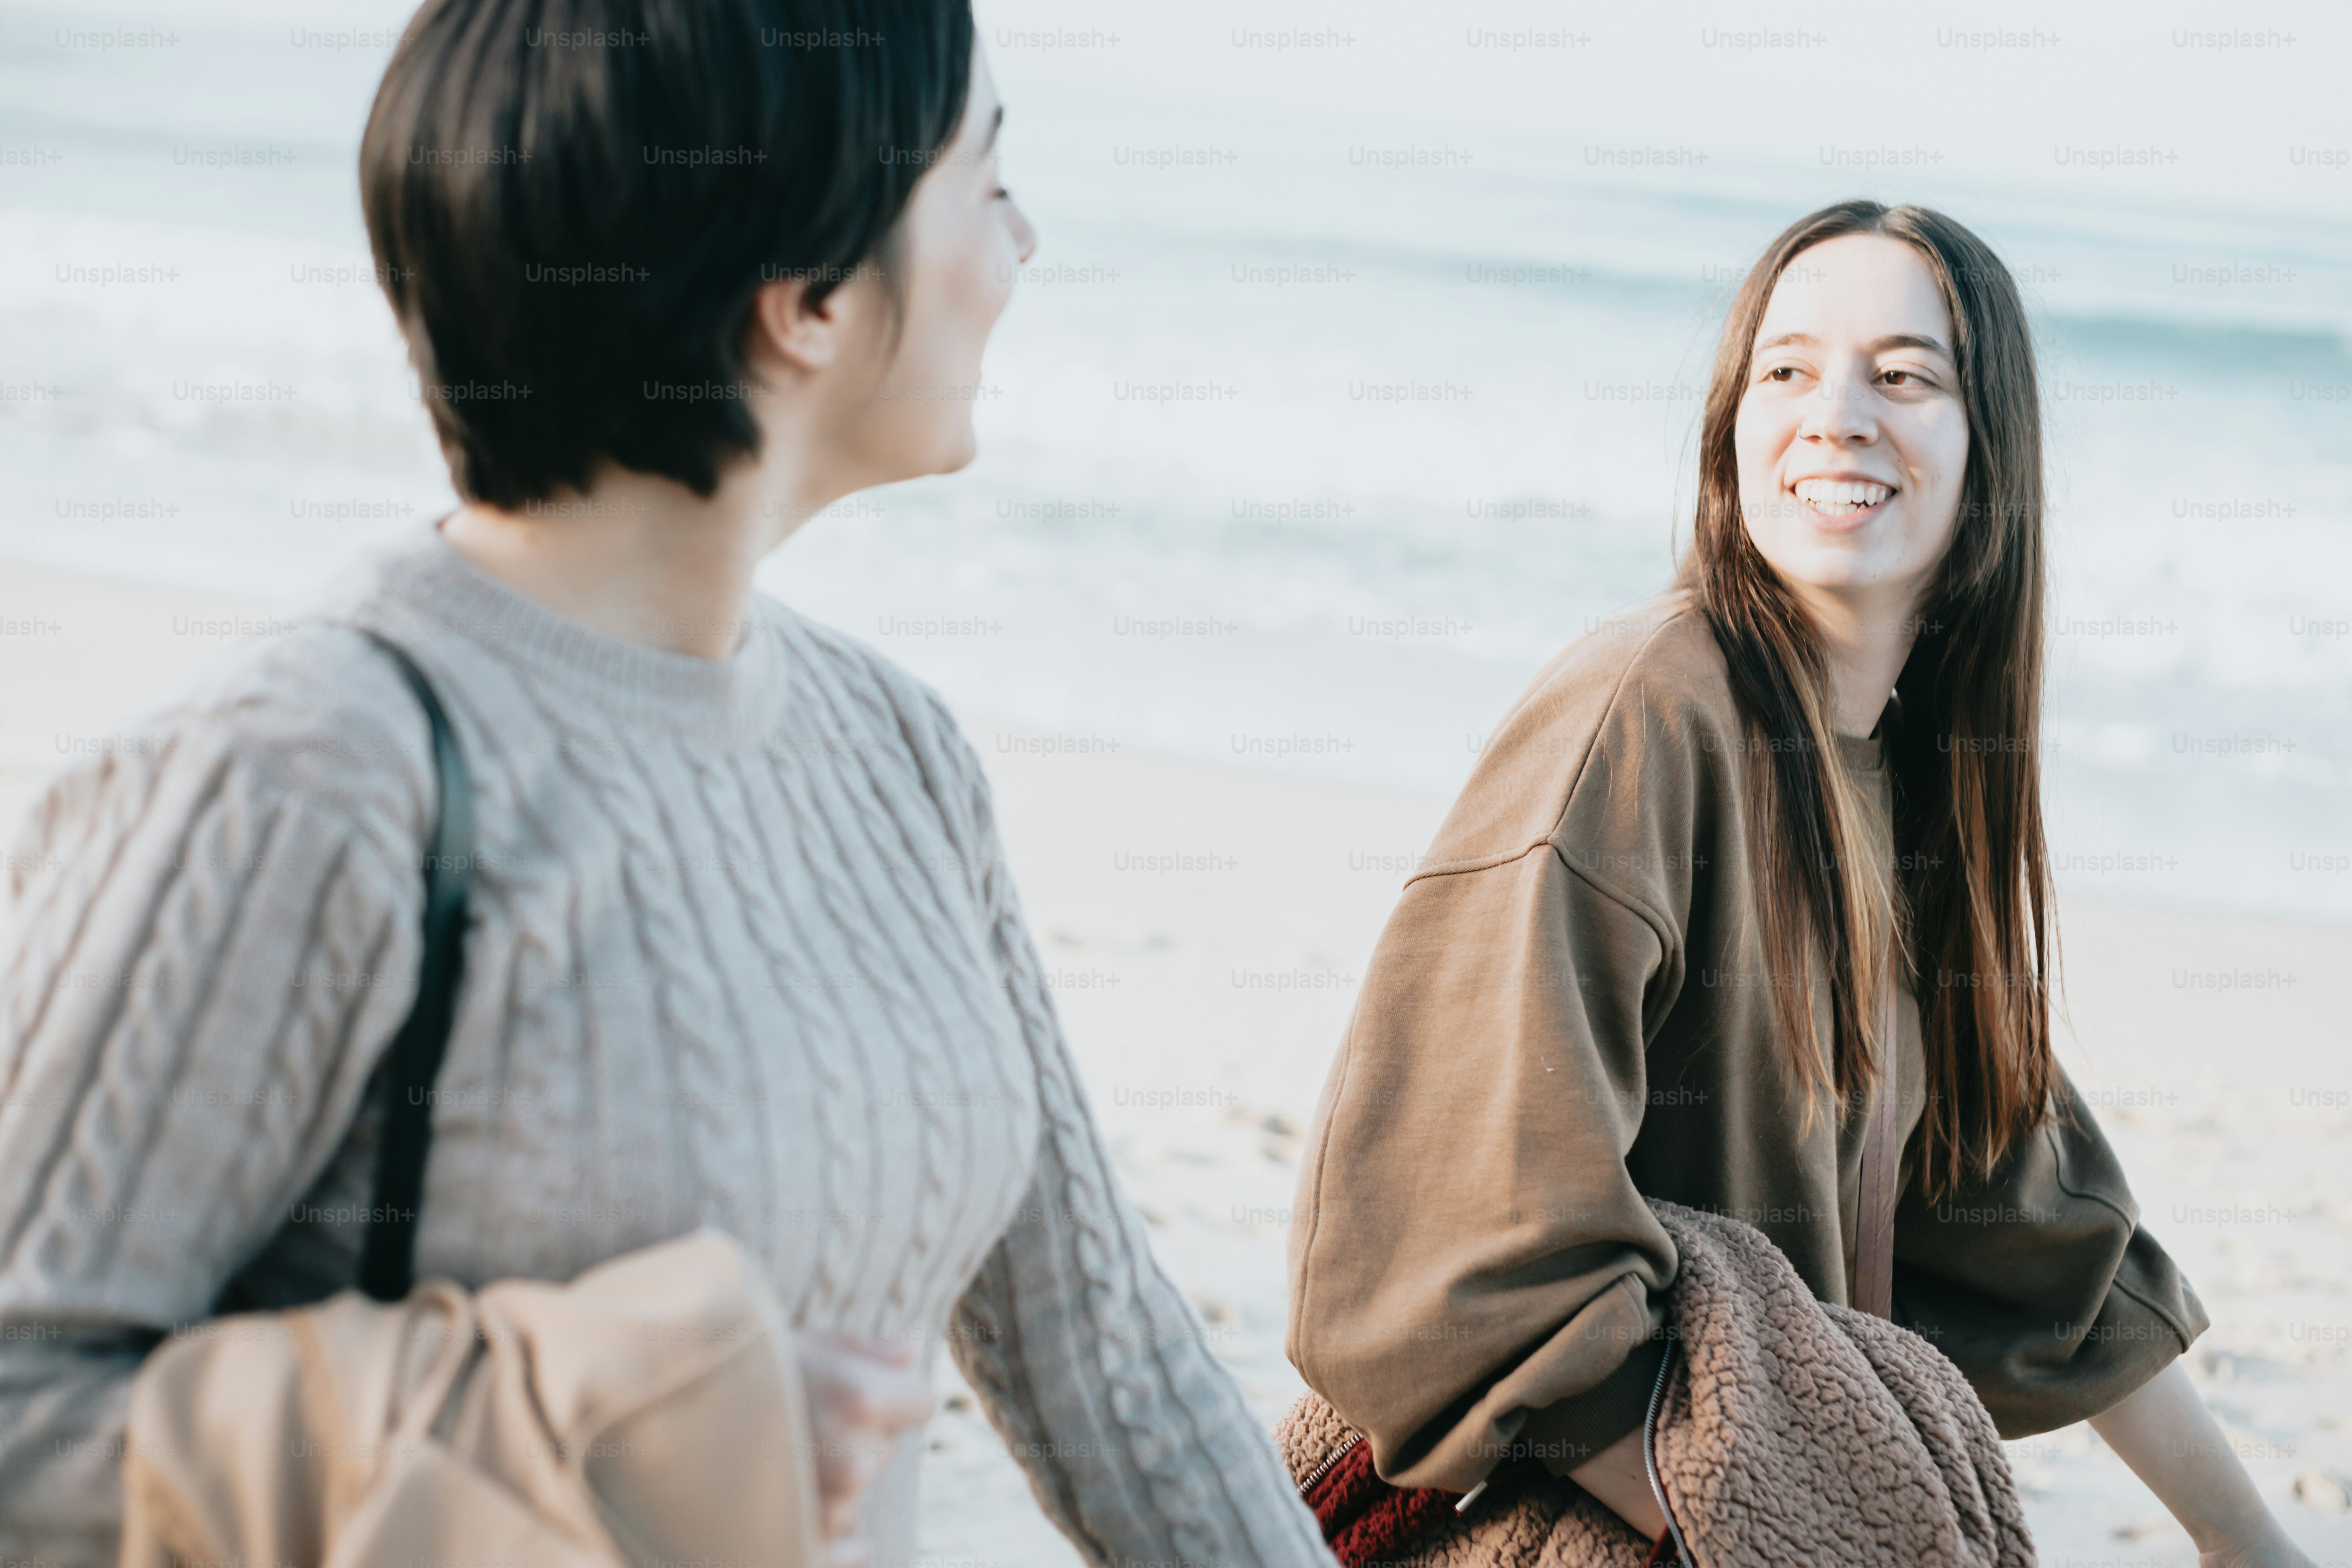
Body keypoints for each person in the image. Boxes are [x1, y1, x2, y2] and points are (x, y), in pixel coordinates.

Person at [0, 4, 1334, 1565]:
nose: (1022, 239)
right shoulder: (303, 780)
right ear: (811, 296)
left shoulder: (899, 753)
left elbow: (1109, 1363)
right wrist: (600, 1408)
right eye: (984, 178)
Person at [1285, 200, 2318, 1568]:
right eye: (1786, 370)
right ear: (1731, 429)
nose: (1834, 414)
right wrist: (1790, 1531)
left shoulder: (1903, 769)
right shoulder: (1643, 712)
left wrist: (2246, 1540)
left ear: (1987, 447)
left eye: (1903, 375)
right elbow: (1435, 1245)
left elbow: (2025, 1219)